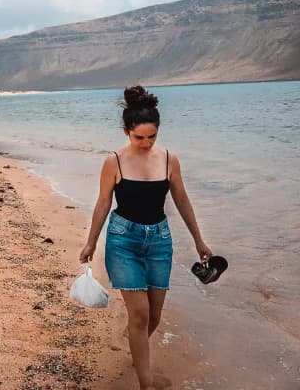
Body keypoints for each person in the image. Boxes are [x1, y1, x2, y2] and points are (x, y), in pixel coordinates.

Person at [79, 85, 212, 390]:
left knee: (154, 316)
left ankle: (136, 348)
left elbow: (182, 200)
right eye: (139, 137)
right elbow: (103, 203)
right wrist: (91, 242)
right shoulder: (114, 162)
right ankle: (146, 382)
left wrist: (199, 241)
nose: (146, 142)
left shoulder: (169, 159)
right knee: (139, 315)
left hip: (160, 242)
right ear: (126, 131)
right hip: (123, 240)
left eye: (152, 136)